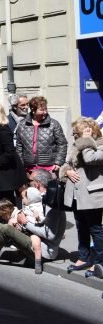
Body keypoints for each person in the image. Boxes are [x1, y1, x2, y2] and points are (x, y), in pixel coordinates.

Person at [60, 117, 103, 275]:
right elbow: (67, 163)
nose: (74, 136)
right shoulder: (77, 144)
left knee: (95, 229)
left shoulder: (100, 145)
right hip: (77, 194)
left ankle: (100, 261)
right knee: (81, 227)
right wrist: (67, 171)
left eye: (76, 133)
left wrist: (85, 140)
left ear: (89, 131)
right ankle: (84, 257)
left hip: (92, 194)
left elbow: (90, 159)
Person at [0, 101, 26, 205]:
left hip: (7, 174)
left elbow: (9, 152)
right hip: (0, 172)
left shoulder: (2, 130)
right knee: (2, 201)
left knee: (7, 202)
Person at [15, 96, 67, 174]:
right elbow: (19, 146)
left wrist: (58, 162)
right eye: (41, 110)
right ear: (33, 110)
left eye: (46, 109)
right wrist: (20, 165)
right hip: (28, 168)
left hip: (49, 168)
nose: (45, 112)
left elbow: (62, 144)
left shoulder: (54, 124)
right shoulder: (22, 125)